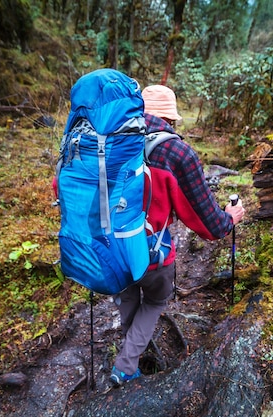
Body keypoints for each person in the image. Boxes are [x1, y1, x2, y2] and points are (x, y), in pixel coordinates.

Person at [109, 84, 245, 387]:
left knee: (127, 290)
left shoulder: (107, 141)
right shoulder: (176, 152)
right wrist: (230, 217)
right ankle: (126, 364)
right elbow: (209, 225)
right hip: (151, 254)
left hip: (108, 248)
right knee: (156, 300)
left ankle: (133, 344)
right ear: (170, 120)